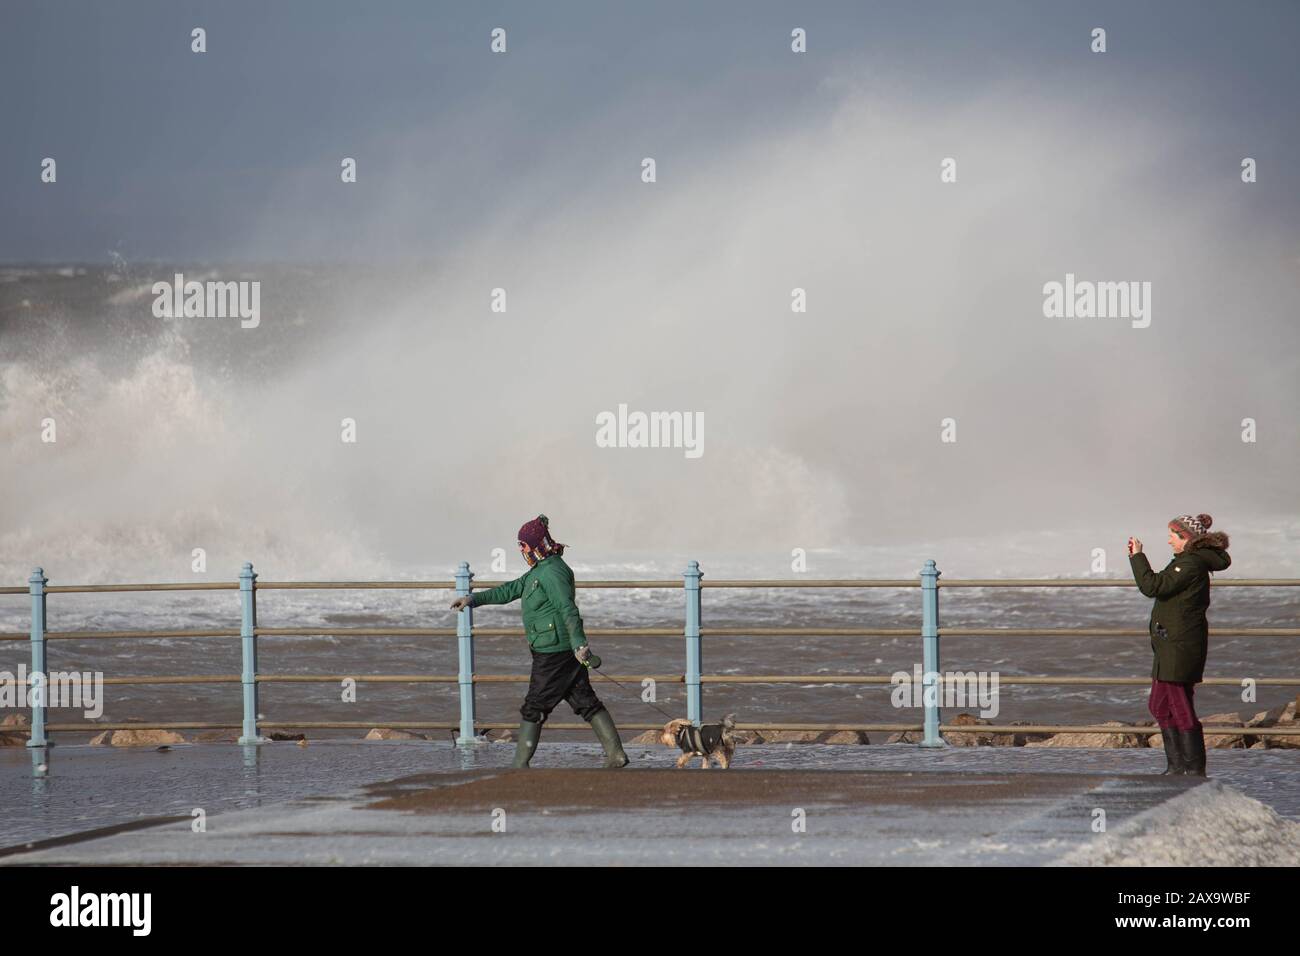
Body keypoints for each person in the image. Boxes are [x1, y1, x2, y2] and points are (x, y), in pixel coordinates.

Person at [449, 515, 629, 769]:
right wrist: (472, 599)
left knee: (534, 707)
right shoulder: (540, 571)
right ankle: (617, 755)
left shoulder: (553, 572)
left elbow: (568, 609)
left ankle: (519, 765)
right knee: (585, 702)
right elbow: (509, 590)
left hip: (554, 653)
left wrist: (580, 645)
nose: (520, 550)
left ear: (536, 545)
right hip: (558, 650)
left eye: (522, 545)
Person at [1128, 513, 1231, 777]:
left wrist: (1137, 556)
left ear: (1186, 538)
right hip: (1170, 644)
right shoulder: (1186, 561)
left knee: (1180, 705)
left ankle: (1193, 770)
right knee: (1159, 706)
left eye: (1173, 535)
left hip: (1180, 645)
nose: (1169, 540)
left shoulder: (1190, 564)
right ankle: (1176, 766)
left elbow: (1154, 586)